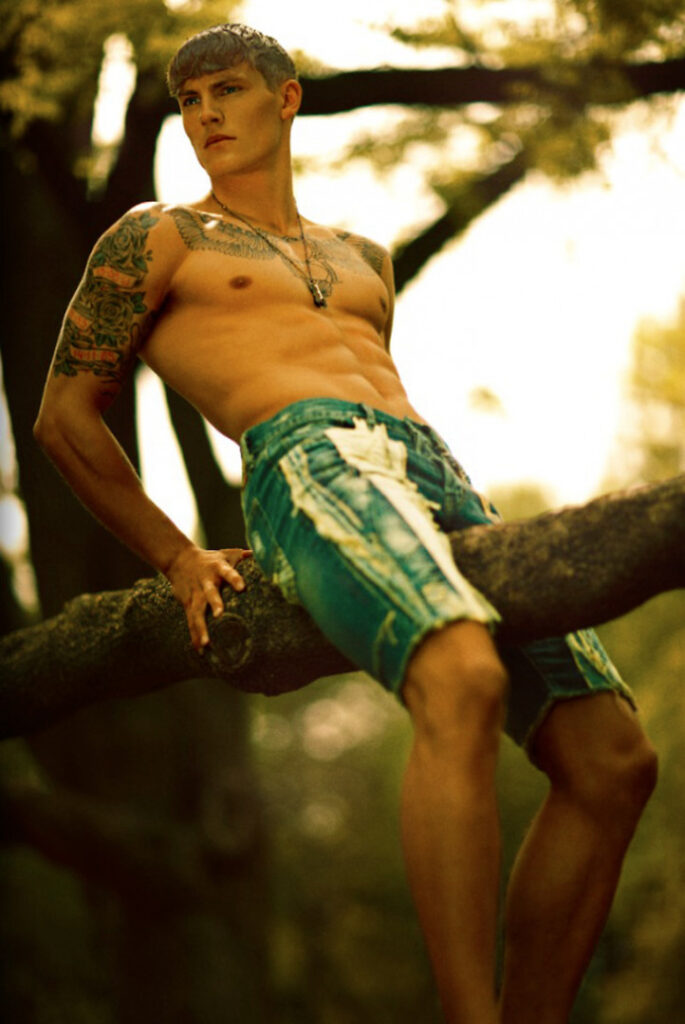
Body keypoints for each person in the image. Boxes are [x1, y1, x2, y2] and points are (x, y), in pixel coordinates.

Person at [34, 23, 657, 1024]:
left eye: (226, 90)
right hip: (309, 459)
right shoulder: (158, 236)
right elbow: (64, 415)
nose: (204, 115)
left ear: (285, 98)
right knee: (461, 675)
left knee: (615, 760)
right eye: (189, 101)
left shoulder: (363, 257)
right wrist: (177, 556)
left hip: (434, 467)